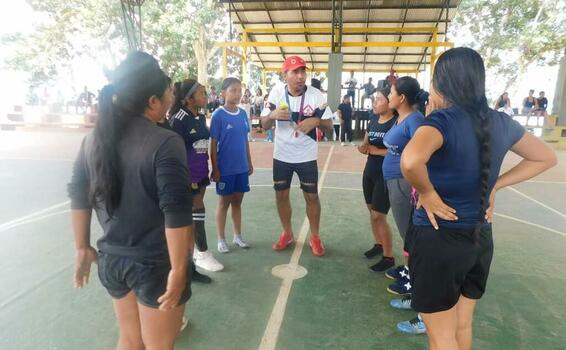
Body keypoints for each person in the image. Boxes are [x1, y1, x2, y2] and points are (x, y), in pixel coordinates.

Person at [401, 47, 556, 350]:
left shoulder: (441, 121)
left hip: (439, 239)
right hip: (480, 238)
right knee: (461, 326)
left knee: (441, 336)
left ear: (441, 82)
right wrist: (494, 186)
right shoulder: (500, 121)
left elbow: (410, 161)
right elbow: (545, 157)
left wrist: (429, 193)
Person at [68, 51, 193, 349]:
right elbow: (175, 210)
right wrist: (178, 269)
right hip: (155, 264)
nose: (170, 97)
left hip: (112, 261)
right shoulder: (165, 142)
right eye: (167, 92)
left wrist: (82, 246)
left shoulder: (93, 139)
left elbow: (78, 192)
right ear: (152, 101)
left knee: (129, 340)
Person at [260, 55, 333, 257]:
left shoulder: (316, 95)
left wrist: (316, 121)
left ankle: (315, 237)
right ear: (286, 75)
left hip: (306, 156)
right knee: (281, 195)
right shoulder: (276, 93)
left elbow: (330, 129)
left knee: (311, 196)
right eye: (295, 72)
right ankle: (287, 233)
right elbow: (263, 124)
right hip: (282, 155)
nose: (301, 77)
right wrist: (272, 116)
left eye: (303, 72)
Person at [381, 76, 427, 334]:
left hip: (403, 183)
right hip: (394, 182)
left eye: (392, 92)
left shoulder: (416, 121)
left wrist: (415, 186)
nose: (389, 96)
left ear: (403, 98)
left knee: (412, 239)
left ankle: (416, 290)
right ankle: (415, 289)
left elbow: (422, 155)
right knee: (408, 237)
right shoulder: (401, 118)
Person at [169, 79, 225, 275]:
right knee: (195, 208)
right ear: (188, 98)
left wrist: (213, 167)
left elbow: (204, 143)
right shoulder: (178, 118)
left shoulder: (200, 118)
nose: (206, 96)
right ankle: (201, 253)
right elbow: (173, 151)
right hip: (187, 175)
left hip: (201, 172)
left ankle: (193, 256)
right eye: (201, 93)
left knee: (195, 210)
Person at [210, 77, 254, 254]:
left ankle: (237, 236)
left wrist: (249, 162)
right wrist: (215, 167)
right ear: (223, 93)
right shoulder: (218, 115)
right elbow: (213, 144)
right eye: (233, 90)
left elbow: (245, 140)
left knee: (237, 202)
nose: (237, 94)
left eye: (239, 90)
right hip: (225, 169)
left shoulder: (243, 114)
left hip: (241, 167)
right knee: (223, 203)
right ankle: (221, 239)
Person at [357, 86, 397, 272]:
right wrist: (363, 147)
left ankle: (389, 257)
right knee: (372, 212)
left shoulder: (396, 123)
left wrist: (377, 151)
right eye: (375, 99)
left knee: (379, 215)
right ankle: (378, 245)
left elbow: (399, 151)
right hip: (370, 172)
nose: (375, 102)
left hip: (385, 174)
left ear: (390, 103)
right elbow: (367, 142)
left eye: (380, 99)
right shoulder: (373, 120)